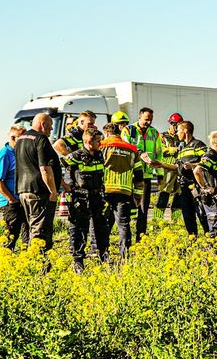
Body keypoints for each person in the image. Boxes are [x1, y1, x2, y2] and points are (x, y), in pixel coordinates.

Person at [14, 112, 66, 252]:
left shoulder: (20, 139)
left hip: (23, 190)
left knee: (32, 227)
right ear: (42, 124)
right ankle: (39, 264)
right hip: (39, 192)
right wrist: (53, 191)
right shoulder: (41, 139)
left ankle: (32, 259)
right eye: (50, 126)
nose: (51, 130)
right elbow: (45, 169)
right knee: (40, 231)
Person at [62, 129, 109, 271]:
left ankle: (104, 257)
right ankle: (78, 261)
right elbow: (57, 168)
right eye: (98, 141)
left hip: (97, 196)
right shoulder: (76, 155)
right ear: (89, 142)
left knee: (101, 228)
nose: (100, 144)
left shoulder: (99, 154)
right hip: (81, 197)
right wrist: (67, 187)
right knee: (79, 230)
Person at [154, 121, 209, 236]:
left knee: (201, 213)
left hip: (196, 186)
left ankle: (210, 236)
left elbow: (208, 161)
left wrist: (192, 166)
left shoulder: (197, 145)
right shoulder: (182, 148)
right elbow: (176, 167)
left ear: (185, 131)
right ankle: (192, 237)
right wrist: (161, 164)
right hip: (184, 187)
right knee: (187, 215)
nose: (177, 133)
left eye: (179, 130)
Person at [100, 122, 142, 258]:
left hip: (105, 190)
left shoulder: (102, 146)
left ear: (106, 133)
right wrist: (138, 193)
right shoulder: (131, 149)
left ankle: (103, 253)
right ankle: (124, 254)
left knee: (104, 224)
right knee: (123, 224)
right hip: (124, 191)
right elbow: (139, 173)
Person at [128, 107, 163, 242]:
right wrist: (140, 152)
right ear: (140, 117)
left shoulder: (154, 133)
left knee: (144, 207)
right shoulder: (129, 130)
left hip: (147, 175)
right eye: (147, 119)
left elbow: (159, 153)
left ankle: (140, 236)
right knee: (130, 206)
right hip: (131, 174)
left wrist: (160, 174)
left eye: (151, 120)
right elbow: (127, 147)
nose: (149, 122)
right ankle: (127, 232)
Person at [0, 125, 27, 250]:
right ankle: (6, 257)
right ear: (13, 137)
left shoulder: (21, 153)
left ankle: (27, 259)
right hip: (11, 201)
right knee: (11, 235)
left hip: (23, 199)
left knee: (27, 234)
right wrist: (11, 199)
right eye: (22, 139)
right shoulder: (4, 154)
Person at [155, 112, 183, 219]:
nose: (177, 127)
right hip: (167, 168)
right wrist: (173, 150)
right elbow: (159, 149)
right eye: (175, 124)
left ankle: (176, 219)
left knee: (179, 194)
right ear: (171, 124)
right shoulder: (162, 136)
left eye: (179, 125)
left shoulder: (181, 137)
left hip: (179, 168)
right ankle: (157, 219)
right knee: (164, 193)